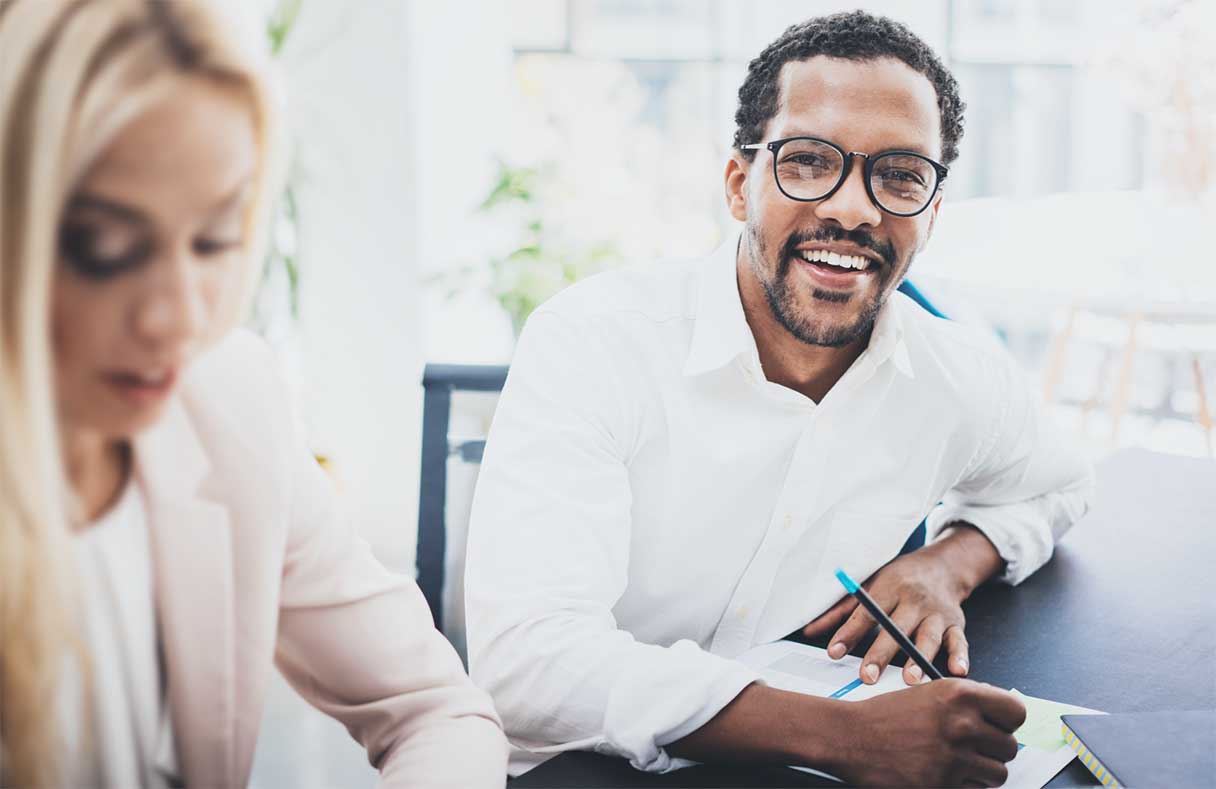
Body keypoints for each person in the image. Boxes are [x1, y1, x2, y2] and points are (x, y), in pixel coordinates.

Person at [465, 10, 1093, 787]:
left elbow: (1063, 482)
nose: (855, 209)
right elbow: (529, 667)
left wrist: (948, 563)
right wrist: (848, 735)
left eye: (899, 176)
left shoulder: (952, 374)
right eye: (806, 161)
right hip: (581, 765)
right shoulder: (595, 342)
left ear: (930, 214)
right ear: (740, 184)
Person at [0, 1, 506, 786]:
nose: (178, 315)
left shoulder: (229, 401)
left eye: (214, 240)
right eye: (106, 246)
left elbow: (437, 708)